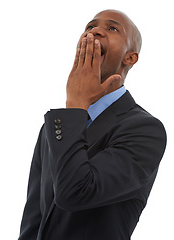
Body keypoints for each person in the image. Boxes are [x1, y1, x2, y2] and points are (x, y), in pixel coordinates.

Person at [18, 9, 167, 240]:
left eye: (113, 28)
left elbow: (75, 193)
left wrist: (76, 103)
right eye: (90, 27)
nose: (95, 30)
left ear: (130, 57)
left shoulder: (146, 130)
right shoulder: (53, 128)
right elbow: (34, 218)